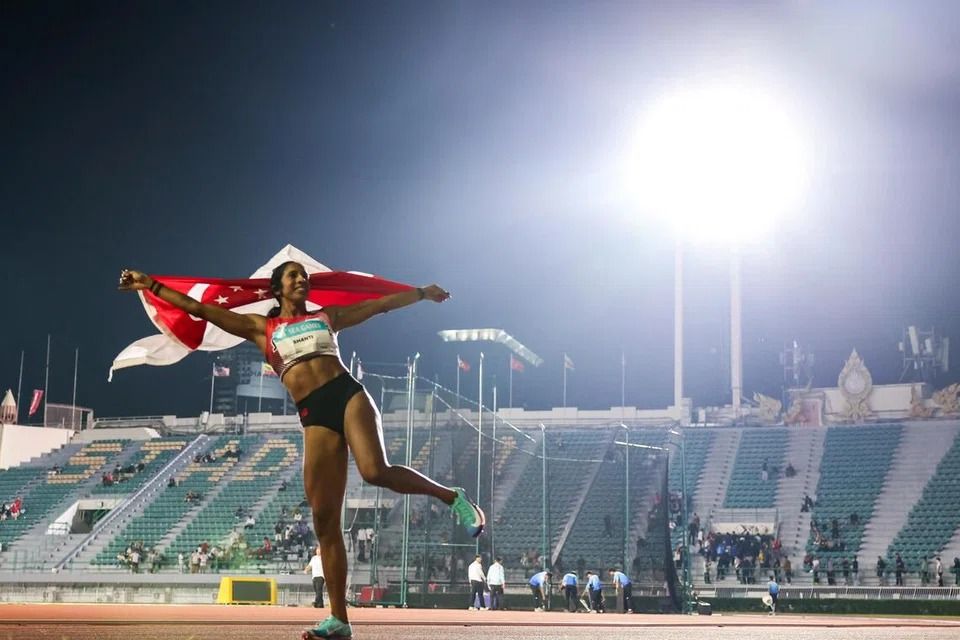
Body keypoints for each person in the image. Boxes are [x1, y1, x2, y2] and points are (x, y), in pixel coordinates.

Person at [119, 263, 485, 639]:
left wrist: (421, 293)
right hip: (314, 414)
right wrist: (151, 285)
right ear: (277, 288)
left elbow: (379, 305)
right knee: (324, 520)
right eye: (293, 276)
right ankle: (340, 620)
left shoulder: (327, 318)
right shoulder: (262, 328)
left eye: (304, 276)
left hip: (346, 395)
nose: (301, 280)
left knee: (375, 471)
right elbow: (202, 310)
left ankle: (452, 496)